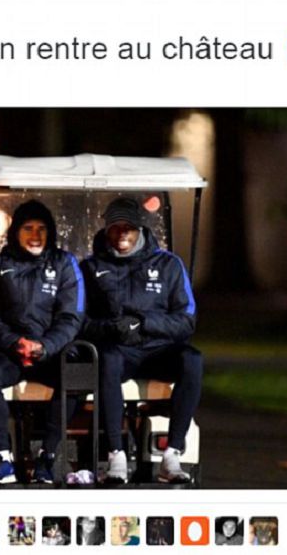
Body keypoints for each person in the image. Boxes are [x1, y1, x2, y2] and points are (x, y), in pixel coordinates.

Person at [80, 197, 203, 484]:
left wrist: (144, 322)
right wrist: (112, 328)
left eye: (129, 227)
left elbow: (186, 320)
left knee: (193, 360)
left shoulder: (169, 265)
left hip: (159, 349)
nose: (122, 233)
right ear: (106, 228)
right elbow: (79, 323)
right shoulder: (91, 268)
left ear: (140, 229)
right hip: (119, 350)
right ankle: (116, 455)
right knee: (107, 359)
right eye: (115, 227)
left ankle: (172, 453)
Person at [0, 200, 84, 484]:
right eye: (28, 228)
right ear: (16, 232)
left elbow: (71, 316)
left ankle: (47, 457)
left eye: (42, 228)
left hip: (50, 352)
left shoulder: (64, 263)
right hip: (10, 352)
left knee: (76, 374)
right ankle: (2, 458)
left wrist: (45, 346)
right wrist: (15, 343)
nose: (36, 235)